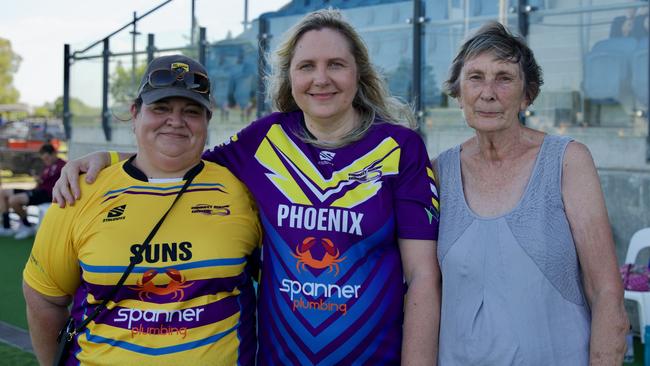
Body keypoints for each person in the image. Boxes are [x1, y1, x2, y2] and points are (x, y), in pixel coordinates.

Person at [52, 9, 440, 365]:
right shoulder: (264, 140)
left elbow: (421, 274)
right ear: (291, 77)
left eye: (335, 65)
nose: (321, 78)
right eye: (307, 66)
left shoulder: (401, 149)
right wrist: (113, 159)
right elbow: (182, 159)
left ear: (359, 72)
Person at [23, 55, 261, 365]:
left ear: (207, 121)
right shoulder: (81, 191)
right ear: (135, 114)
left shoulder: (240, 190)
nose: (175, 120)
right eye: (160, 108)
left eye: (191, 111)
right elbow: (44, 296)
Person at [433, 22, 628, 365]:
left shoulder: (567, 160)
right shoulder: (438, 172)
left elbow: (606, 293)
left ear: (527, 94)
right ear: (458, 92)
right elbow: (421, 293)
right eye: (475, 77)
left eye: (504, 78)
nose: (488, 92)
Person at [0, 143, 65, 239]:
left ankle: (27, 226)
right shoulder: (48, 165)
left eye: (47, 158)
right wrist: (39, 180)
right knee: (3, 193)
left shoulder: (62, 166)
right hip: (38, 191)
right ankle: (7, 227)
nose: (45, 161)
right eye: (43, 159)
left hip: (47, 195)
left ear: (54, 153)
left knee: (14, 200)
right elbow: (42, 181)